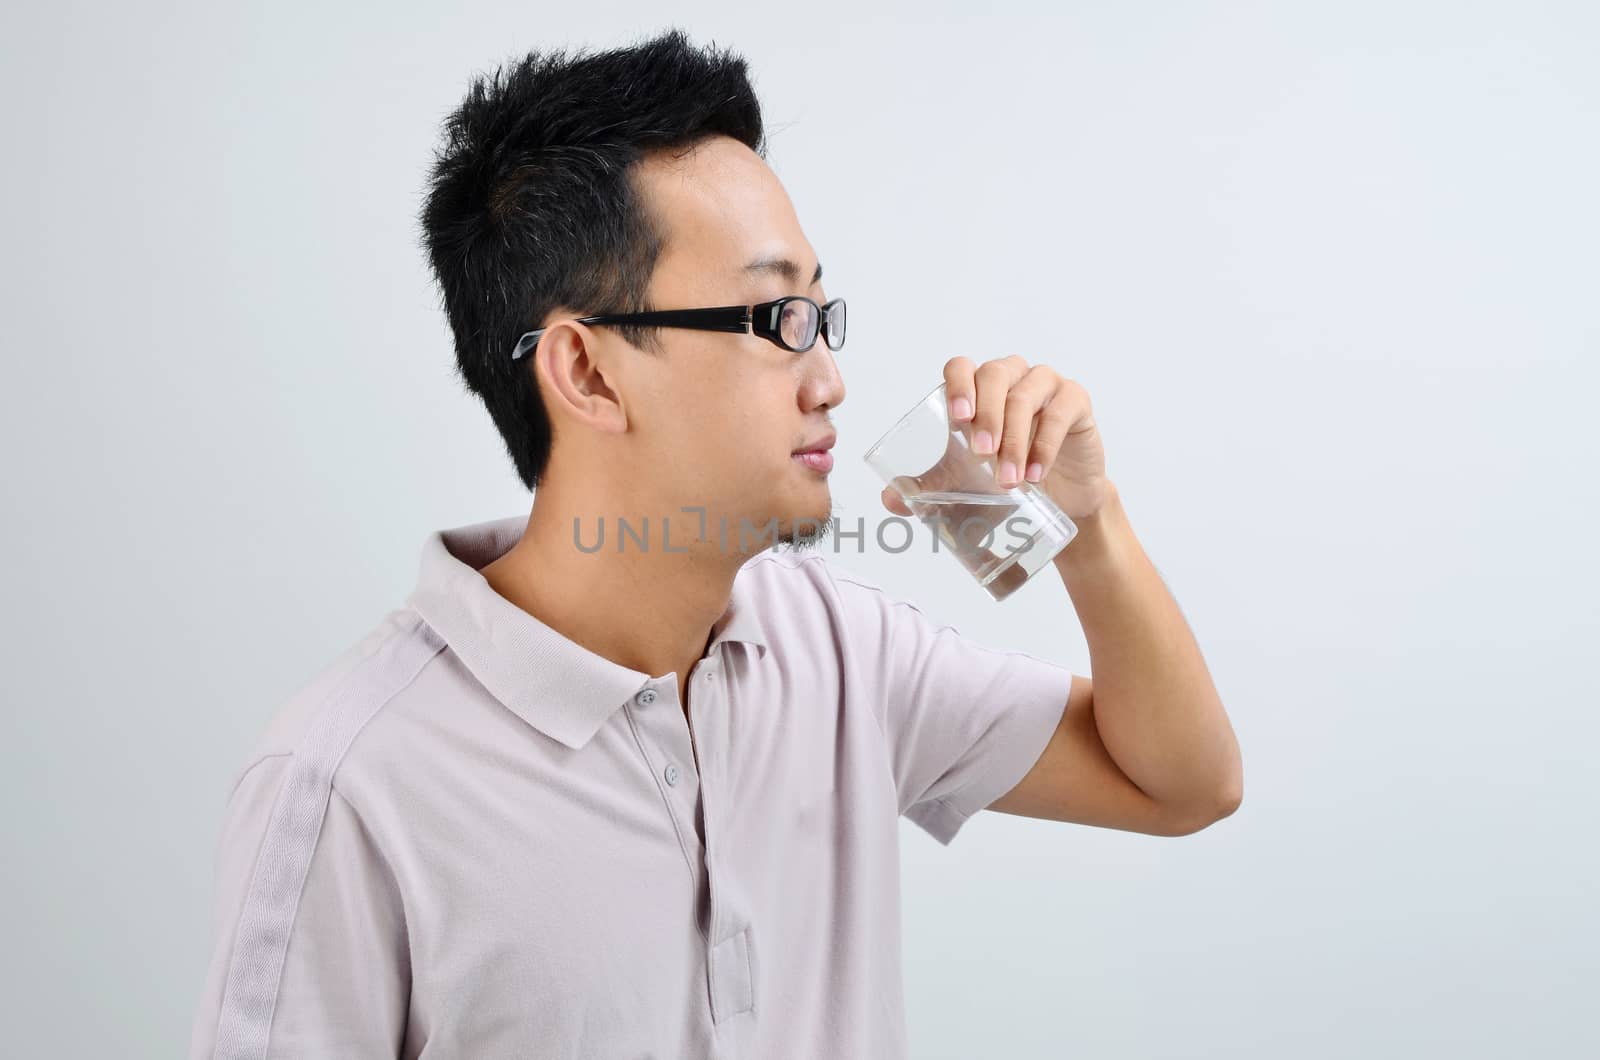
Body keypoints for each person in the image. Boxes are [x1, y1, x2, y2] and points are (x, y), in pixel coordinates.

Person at [189, 28, 1242, 1060]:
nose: (826, 375)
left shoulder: (835, 648)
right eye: (776, 313)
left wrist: (1085, 528)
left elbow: (1181, 784)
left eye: (822, 312)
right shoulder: (348, 783)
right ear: (587, 372)